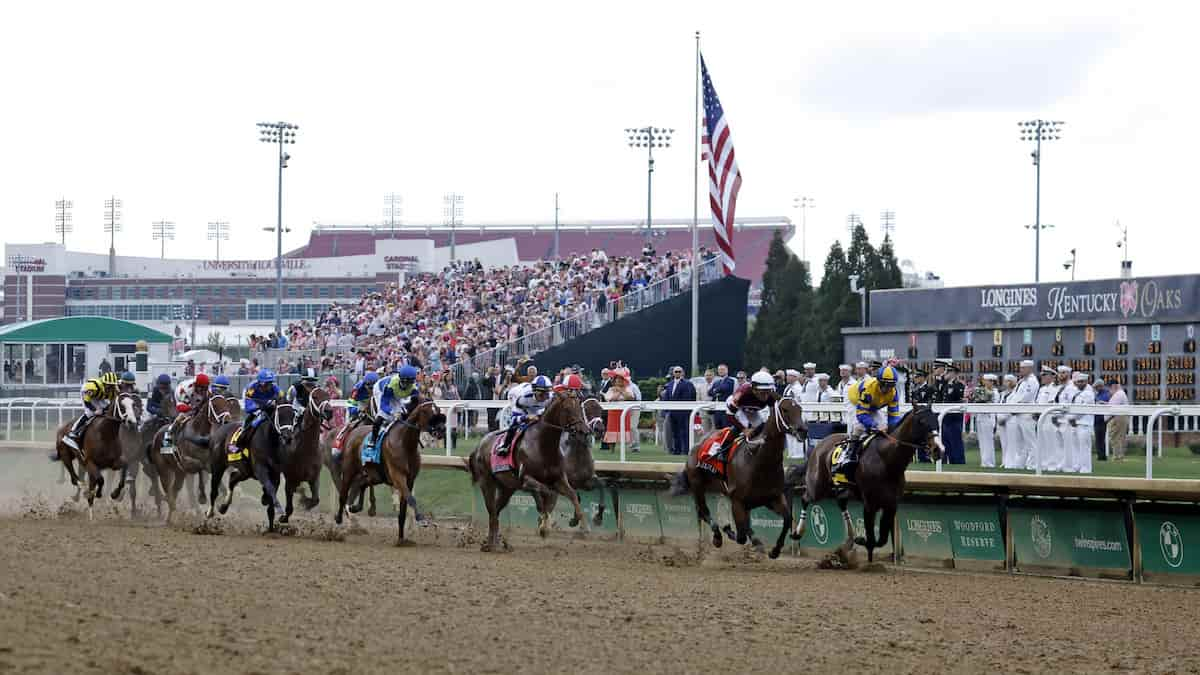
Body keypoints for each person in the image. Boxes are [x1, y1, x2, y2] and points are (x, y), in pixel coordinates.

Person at [836, 365, 901, 488]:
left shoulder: (893, 393)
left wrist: (892, 430)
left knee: (884, 427)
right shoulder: (869, 388)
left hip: (873, 405)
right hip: (854, 401)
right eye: (884, 384)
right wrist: (874, 426)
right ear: (879, 381)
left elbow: (893, 417)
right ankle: (848, 456)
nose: (887, 388)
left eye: (890, 385)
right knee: (859, 427)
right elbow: (861, 415)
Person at [709, 370, 778, 459]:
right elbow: (730, 416)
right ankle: (720, 450)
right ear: (754, 388)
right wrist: (744, 429)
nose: (765, 396)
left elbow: (774, 414)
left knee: (761, 427)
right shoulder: (742, 394)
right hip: (738, 408)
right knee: (741, 427)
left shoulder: (771, 396)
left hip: (752, 409)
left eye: (768, 392)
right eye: (762, 392)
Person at [367, 365, 421, 464]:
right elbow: (384, 404)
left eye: (409, 383)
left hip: (397, 395)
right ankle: (373, 441)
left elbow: (415, 403)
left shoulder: (414, 388)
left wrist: (405, 410)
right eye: (405, 382)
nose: (407, 385)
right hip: (381, 390)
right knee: (383, 416)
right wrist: (393, 412)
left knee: (403, 414)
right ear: (401, 379)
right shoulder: (391, 385)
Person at [63, 371, 120, 450]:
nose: (110, 388)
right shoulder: (93, 386)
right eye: (109, 385)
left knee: (105, 409)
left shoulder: (113, 391)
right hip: (87, 394)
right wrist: (95, 409)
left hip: (99, 395)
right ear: (104, 383)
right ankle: (73, 433)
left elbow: (111, 405)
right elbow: (87, 401)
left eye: (112, 386)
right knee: (90, 413)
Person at [500, 375, 552, 455]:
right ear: (534, 392)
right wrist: (526, 417)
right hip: (515, 397)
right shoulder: (524, 397)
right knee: (516, 423)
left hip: (533, 404)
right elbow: (514, 418)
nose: (545, 397)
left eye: (547, 393)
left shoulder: (550, 397)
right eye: (541, 394)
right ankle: (505, 445)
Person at [236, 370, 281, 451]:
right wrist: (262, 405)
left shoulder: (275, 387)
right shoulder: (251, 388)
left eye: (270, 383)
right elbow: (248, 408)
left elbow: (283, 398)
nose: (269, 386)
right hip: (254, 404)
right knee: (256, 420)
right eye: (266, 384)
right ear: (260, 383)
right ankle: (241, 440)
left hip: (268, 404)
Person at [932, 359, 965, 464]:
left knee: (955, 441)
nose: (946, 373)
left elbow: (959, 400)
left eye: (949, 372)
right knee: (946, 441)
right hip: (946, 418)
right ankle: (949, 460)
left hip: (954, 418)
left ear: (954, 373)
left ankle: (959, 461)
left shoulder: (959, 385)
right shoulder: (945, 385)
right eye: (947, 371)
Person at [1011, 360, 1040, 470]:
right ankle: (1020, 463)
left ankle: (1033, 464)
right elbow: (1016, 395)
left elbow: (1027, 397)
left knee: (1030, 441)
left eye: (1023, 368)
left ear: (1029, 368)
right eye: (1021, 368)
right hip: (1019, 413)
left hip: (1026, 412)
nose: (1021, 370)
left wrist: (1016, 406)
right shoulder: (1022, 381)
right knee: (1020, 441)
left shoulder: (1032, 381)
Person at [663, 366, 697, 456]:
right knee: (675, 432)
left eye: (679, 371)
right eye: (676, 371)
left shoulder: (687, 384)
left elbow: (691, 397)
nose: (677, 373)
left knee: (684, 432)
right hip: (672, 412)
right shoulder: (670, 384)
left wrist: (688, 410)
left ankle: (685, 450)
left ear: (682, 373)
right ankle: (677, 450)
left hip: (683, 412)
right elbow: (666, 398)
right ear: (673, 373)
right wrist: (666, 410)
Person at [1066, 372, 1094, 474]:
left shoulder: (1089, 393)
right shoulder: (1075, 393)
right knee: (1075, 447)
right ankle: (1077, 466)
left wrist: (1074, 418)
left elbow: (1084, 408)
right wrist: (1070, 418)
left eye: (1082, 382)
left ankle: (1086, 468)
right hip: (1074, 423)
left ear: (1086, 382)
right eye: (1078, 382)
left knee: (1084, 447)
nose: (1080, 384)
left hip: (1084, 423)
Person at [1051, 365, 1077, 473]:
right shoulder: (1058, 388)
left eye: (1064, 373)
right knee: (1059, 445)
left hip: (1066, 419)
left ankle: (1069, 466)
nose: (1061, 375)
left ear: (1069, 374)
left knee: (1068, 445)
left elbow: (1070, 404)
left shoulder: (1072, 387)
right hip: (1057, 420)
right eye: (1060, 373)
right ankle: (1060, 464)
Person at [1034, 366, 1059, 471]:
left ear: (1052, 376)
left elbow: (1051, 403)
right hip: (1041, 418)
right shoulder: (1042, 389)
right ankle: (1043, 463)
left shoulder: (1055, 388)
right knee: (1042, 442)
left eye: (1045, 375)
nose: (1042, 377)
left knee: (1051, 442)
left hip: (1049, 417)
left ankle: (1052, 465)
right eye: (1042, 375)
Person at [973, 374, 1000, 468]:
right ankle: (984, 461)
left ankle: (989, 462)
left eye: (987, 380)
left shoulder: (995, 393)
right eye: (984, 380)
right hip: (980, 417)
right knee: (982, 441)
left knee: (988, 441)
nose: (984, 382)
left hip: (988, 418)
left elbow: (992, 403)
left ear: (992, 382)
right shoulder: (981, 391)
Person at [997, 374, 1017, 468]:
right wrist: (999, 418)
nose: (1006, 383)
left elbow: (1013, 408)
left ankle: (1011, 462)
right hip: (1001, 420)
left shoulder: (1016, 393)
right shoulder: (1003, 394)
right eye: (1005, 381)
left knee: (1012, 442)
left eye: (1008, 381)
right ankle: (1004, 461)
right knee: (1004, 442)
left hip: (1010, 419)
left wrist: (1004, 417)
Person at [1105, 379, 1129, 461]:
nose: (1109, 390)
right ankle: (1119, 455)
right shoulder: (1120, 393)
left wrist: (1106, 419)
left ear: (1113, 386)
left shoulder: (1119, 394)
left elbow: (1113, 409)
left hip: (1117, 417)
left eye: (1109, 387)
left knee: (1115, 437)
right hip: (1120, 417)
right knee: (1119, 437)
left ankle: (1117, 456)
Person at [709, 364, 735, 429]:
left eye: (723, 369)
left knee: (726, 430)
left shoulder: (730, 381)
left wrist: (715, 390)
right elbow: (709, 392)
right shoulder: (716, 382)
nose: (721, 371)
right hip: (717, 411)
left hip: (725, 411)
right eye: (719, 370)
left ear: (727, 371)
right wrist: (716, 392)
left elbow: (724, 388)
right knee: (717, 430)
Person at [1093, 380, 1111, 461]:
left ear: (1101, 386)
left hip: (1102, 419)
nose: (1096, 388)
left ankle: (1102, 456)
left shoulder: (1106, 394)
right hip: (1096, 418)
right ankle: (1100, 455)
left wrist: (1101, 403)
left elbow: (1110, 404)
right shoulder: (1097, 394)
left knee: (1100, 438)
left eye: (1097, 387)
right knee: (1098, 439)